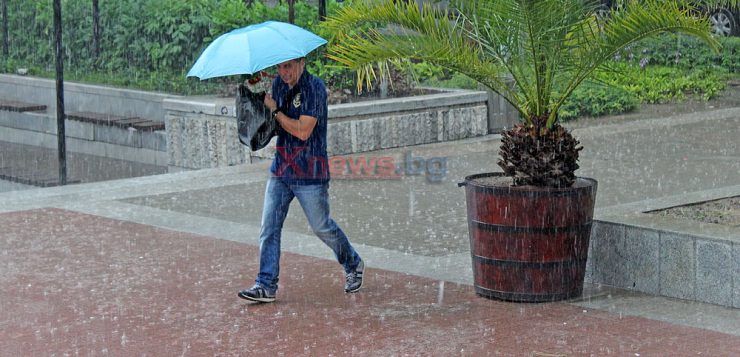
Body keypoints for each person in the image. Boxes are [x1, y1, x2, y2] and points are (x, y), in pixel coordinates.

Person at [238, 57, 364, 303]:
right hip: (281, 170)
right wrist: (256, 96)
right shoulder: (278, 85)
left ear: (302, 62)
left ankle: (353, 263)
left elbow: (303, 130)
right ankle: (266, 285)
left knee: (321, 227)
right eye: (280, 67)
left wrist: (274, 109)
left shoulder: (314, 88)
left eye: (288, 67)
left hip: (310, 172)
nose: (283, 73)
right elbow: (276, 123)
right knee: (269, 228)